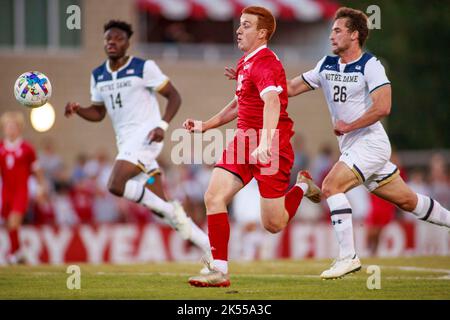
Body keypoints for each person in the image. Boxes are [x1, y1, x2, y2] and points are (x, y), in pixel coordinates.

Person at [285, 7, 450, 278]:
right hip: (352, 147)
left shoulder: (370, 65)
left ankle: (348, 257)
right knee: (408, 202)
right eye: (332, 30)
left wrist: (348, 126)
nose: (332, 35)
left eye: (338, 30)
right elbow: (290, 88)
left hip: (371, 144)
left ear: (354, 35)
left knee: (330, 186)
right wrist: (258, 83)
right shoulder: (326, 65)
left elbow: (384, 107)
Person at [183, 6, 321, 287]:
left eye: (245, 25)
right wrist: (205, 125)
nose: (238, 30)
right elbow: (239, 104)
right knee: (213, 196)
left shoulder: (266, 63)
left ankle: (303, 186)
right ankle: (219, 270)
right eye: (239, 24)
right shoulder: (246, 62)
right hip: (244, 142)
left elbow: (272, 102)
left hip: (272, 146)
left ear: (262, 33)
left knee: (274, 224)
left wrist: (266, 142)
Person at [64, 20, 211, 265]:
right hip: (126, 144)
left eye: (118, 39)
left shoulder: (143, 67)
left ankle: (169, 209)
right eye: (108, 39)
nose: (112, 42)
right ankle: (210, 248)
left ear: (127, 42)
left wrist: (162, 125)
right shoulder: (98, 75)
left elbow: (174, 96)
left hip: (147, 137)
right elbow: (99, 113)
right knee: (160, 208)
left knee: (115, 184)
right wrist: (79, 110)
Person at [0, 111, 47, 264]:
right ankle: (18, 252)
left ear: (19, 129)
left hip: (21, 191)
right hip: (6, 191)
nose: (10, 129)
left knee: (14, 220)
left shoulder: (27, 149)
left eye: (13, 126)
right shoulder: (1, 148)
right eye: (8, 126)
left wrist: (40, 189)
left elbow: (37, 171)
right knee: (9, 223)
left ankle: (13, 253)